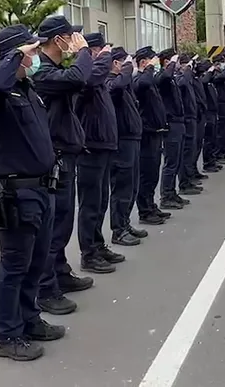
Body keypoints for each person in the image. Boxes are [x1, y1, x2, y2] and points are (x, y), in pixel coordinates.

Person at [0, 25, 65, 362]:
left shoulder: (27, 88)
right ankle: (8, 334)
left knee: (36, 262)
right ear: (14, 54)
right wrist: (14, 56)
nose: (36, 56)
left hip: (42, 189)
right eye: (31, 51)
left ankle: (29, 319)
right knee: (15, 266)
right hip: (16, 193)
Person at [31, 16, 97, 316]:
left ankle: (60, 272)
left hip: (65, 154)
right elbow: (78, 78)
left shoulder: (56, 70)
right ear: (58, 40)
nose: (76, 41)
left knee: (63, 220)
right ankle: (46, 288)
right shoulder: (43, 72)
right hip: (54, 158)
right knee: (54, 226)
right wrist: (84, 52)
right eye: (71, 36)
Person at [75, 33, 125, 273]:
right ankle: (88, 253)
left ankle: (97, 244)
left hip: (103, 146)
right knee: (90, 204)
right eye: (101, 51)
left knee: (101, 200)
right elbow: (92, 77)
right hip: (90, 148)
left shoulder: (99, 79)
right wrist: (101, 56)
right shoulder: (86, 77)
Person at [106, 47, 147, 246]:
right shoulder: (109, 82)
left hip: (132, 138)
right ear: (115, 63)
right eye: (124, 62)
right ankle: (118, 229)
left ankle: (125, 223)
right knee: (121, 188)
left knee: (132, 186)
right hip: (121, 141)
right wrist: (127, 69)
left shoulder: (123, 82)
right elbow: (117, 87)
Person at [132, 47, 171, 225]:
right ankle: (145, 211)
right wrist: (149, 68)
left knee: (153, 173)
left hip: (155, 131)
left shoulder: (148, 78)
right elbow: (144, 83)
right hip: (146, 133)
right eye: (151, 61)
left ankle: (151, 205)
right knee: (146, 175)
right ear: (143, 62)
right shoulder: (139, 78)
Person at [156, 48, 189, 209]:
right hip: (171, 124)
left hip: (178, 122)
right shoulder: (162, 77)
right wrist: (171, 64)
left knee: (177, 160)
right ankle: (166, 196)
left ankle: (172, 192)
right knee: (170, 162)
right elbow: (165, 77)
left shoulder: (172, 78)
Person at [176, 53, 203, 196]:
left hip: (192, 117)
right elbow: (182, 83)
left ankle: (189, 178)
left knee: (191, 150)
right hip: (185, 118)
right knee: (185, 153)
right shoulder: (179, 77)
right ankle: (184, 183)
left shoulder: (188, 77)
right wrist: (187, 69)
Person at [188, 57, 210, 182]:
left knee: (198, 145)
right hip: (194, 116)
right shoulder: (188, 79)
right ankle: (190, 174)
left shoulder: (196, 79)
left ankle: (194, 170)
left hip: (200, 114)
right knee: (193, 147)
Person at [200, 58, 222, 173]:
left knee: (213, 138)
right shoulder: (204, 81)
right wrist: (209, 71)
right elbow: (204, 80)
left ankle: (212, 160)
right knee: (208, 139)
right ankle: (207, 163)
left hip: (213, 112)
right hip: (208, 113)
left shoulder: (210, 81)